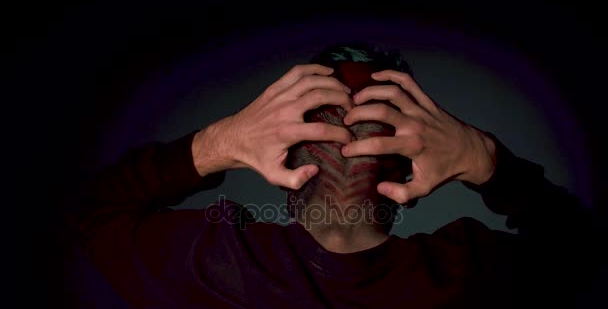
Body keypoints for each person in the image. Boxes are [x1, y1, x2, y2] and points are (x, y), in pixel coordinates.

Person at [77, 43, 603, 308]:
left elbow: (89, 215)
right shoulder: (473, 275)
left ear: (279, 157)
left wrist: (221, 142)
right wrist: (487, 160)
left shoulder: (211, 264)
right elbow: (587, 257)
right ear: (411, 170)